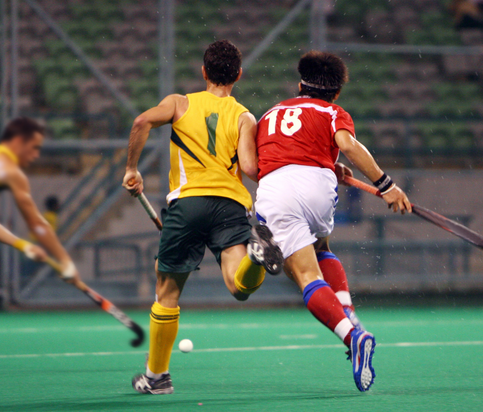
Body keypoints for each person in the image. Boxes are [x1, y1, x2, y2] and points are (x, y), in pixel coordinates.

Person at [122, 39, 283, 395]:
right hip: (230, 205)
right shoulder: (244, 117)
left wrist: (132, 169)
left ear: (203, 71)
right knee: (238, 285)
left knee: (166, 292)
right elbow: (251, 168)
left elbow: (141, 121)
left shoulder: (180, 103)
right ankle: (257, 258)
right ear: (238, 75)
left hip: (188, 204)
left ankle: (157, 377)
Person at [251, 50, 411, 392]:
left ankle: (353, 337)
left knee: (305, 276)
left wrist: (318, 161)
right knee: (322, 246)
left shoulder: (270, 113)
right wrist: (387, 185)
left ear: (299, 85)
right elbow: (347, 144)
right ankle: (347, 309)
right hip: (319, 188)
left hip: (277, 188)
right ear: (336, 92)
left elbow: (266, 157)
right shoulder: (333, 111)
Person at [0, 117, 80, 372]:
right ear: (18, 141)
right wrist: (65, 261)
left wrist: (24, 246)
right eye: (34, 147)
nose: (36, 155)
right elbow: (37, 224)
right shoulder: (9, 170)